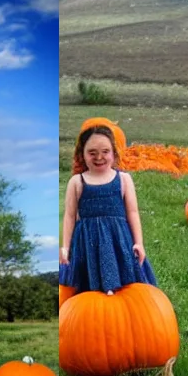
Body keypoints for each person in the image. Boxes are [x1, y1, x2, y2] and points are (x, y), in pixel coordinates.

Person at [59, 119, 155, 296]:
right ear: (82, 154)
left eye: (105, 152)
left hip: (118, 240)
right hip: (88, 242)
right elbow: (70, 216)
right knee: (87, 291)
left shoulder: (123, 180)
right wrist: (65, 247)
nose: (99, 157)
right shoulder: (77, 182)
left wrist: (139, 243)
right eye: (92, 152)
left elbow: (132, 212)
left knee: (127, 288)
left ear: (114, 152)